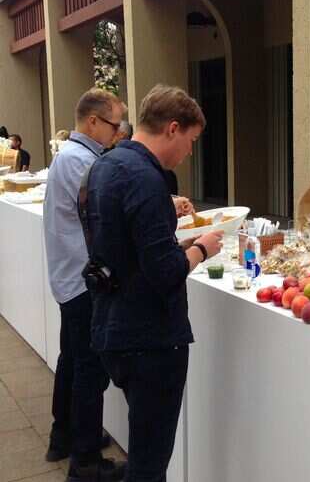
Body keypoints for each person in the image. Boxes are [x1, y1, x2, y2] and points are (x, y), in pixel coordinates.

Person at [85, 84, 223, 482]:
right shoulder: (147, 179)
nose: (191, 152)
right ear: (173, 129)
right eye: (192, 140)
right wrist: (202, 249)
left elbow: (123, 246)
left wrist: (173, 243)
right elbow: (165, 272)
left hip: (114, 327)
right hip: (150, 340)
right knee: (149, 463)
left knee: (144, 453)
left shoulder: (105, 166)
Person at [43, 88, 127, 481]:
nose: (118, 132)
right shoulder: (82, 162)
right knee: (89, 370)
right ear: (92, 122)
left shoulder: (74, 157)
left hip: (68, 277)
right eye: (115, 124)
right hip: (82, 281)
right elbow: (108, 218)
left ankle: (65, 436)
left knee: (72, 361)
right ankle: (87, 460)